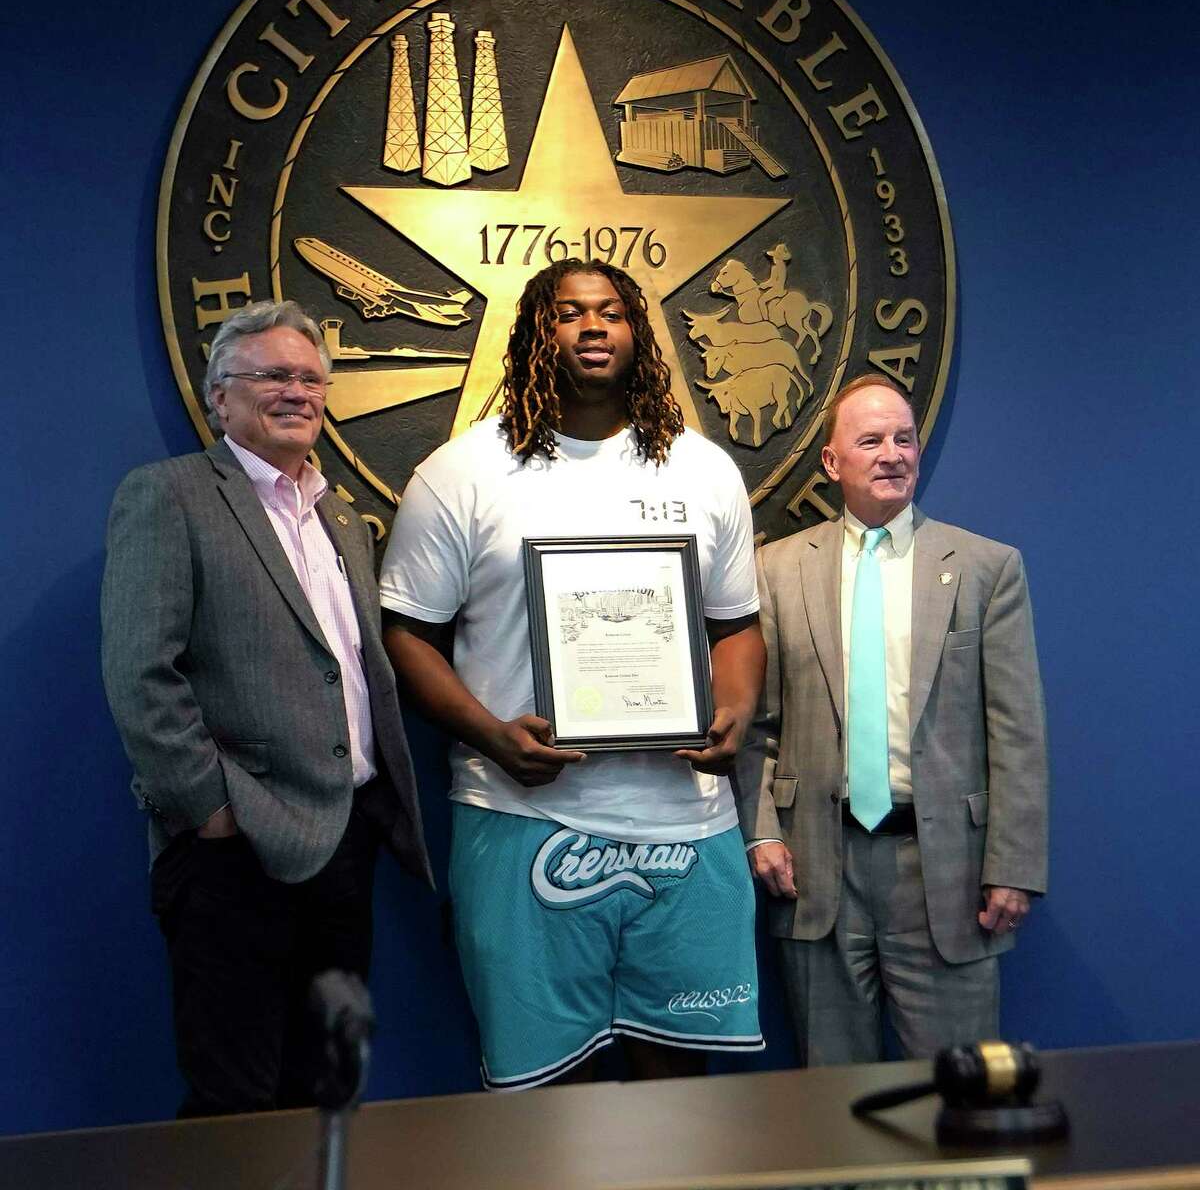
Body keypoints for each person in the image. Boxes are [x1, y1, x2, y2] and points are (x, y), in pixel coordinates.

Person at [380, 259, 766, 1090]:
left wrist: (734, 707)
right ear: (534, 335)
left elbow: (737, 625)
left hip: (685, 826)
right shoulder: (462, 473)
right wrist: (490, 735)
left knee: (681, 1097)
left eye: (612, 312)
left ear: (638, 332)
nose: (593, 327)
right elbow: (406, 634)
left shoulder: (703, 471)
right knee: (550, 1103)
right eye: (568, 313)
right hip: (522, 816)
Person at [101, 300, 431, 1116]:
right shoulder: (169, 495)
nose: (298, 391)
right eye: (273, 375)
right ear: (220, 397)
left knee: (323, 1089)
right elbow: (141, 669)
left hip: (346, 844)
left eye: (312, 378)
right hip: (233, 855)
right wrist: (209, 809)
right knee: (234, 1099)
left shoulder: (339, 513)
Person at [736, 375, 1048, 1064]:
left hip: (949, 875)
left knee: (957, 1094)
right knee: (829, 1095)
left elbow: (1017, 729)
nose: (892, 453)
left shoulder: (985, 568)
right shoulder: (776, 571)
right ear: (831, 462)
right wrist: (760, 832)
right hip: (815, 868)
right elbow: (755, 724)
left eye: (903, 438)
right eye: (870, 440)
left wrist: (1014, 864)